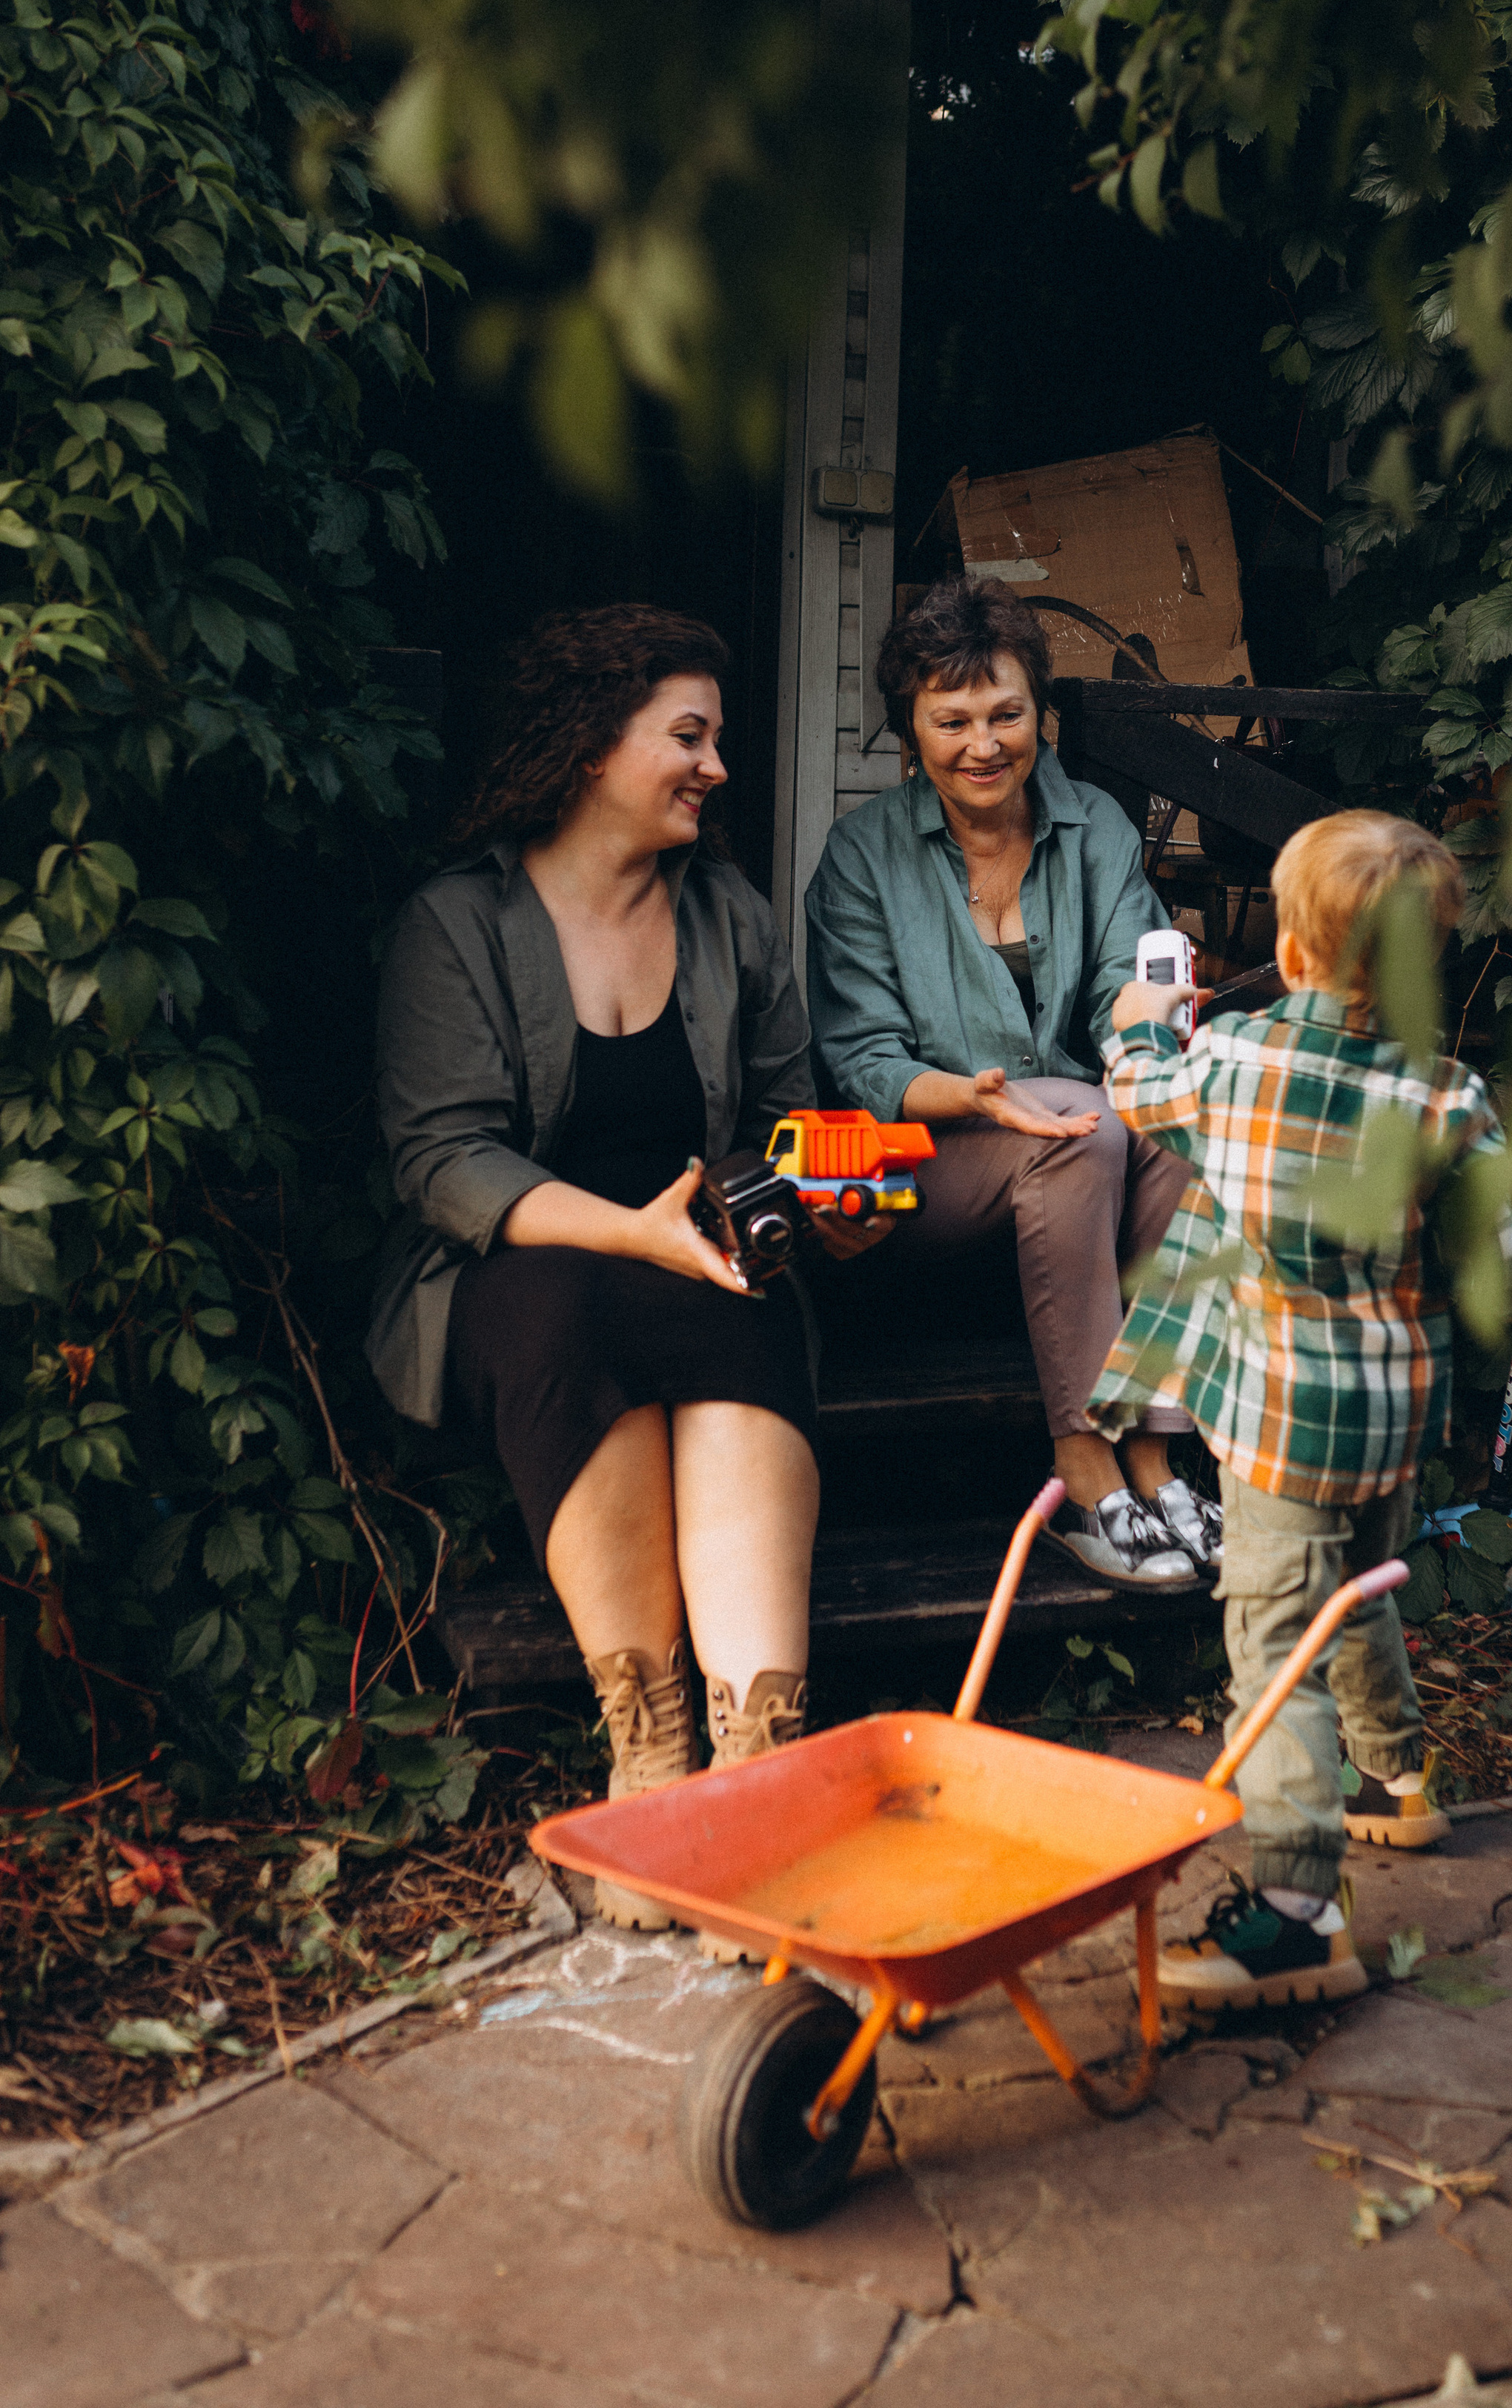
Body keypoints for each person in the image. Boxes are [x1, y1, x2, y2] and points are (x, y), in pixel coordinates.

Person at [368, 604, 834, 1929]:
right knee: (566, 1303)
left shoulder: (731, 918)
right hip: (512, 1279)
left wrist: (821, 1205)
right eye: (687, 737)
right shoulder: (458, 923)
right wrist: (628, 1229)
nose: (717, 767)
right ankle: (649, 1751)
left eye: (718, 740)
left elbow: (784, 1125)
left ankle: (758, 1759)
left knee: (748, 1298)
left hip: (692, 1267)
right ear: (589, 747)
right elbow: (444, 1165)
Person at [1087, 809, 1512, 2009]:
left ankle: (1294, 1912)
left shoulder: (1231, 1062)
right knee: (1354, 1599)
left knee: (1275, 1654)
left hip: (1279, 1420)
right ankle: (1394, 1781)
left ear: (1289, 955)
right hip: (1394, 1418)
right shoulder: (1450, 1100)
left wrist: (1134, 1024)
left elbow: (1138, 1095)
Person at [803, 576, 1218, 1588]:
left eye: (1006, 714)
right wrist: (976, 1096)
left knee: (1162, 1123)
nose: (983, 745)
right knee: (1082, 1124)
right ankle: (1082, 1470)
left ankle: (1156, 1458)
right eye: (952, 721)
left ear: (1042, 715)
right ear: (911, 731)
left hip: (1081, 1153)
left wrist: (1150, 1025)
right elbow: (862, 1059)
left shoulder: (1099, 832)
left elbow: (1126, 990)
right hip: (926, 1163)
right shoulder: (863, 856)